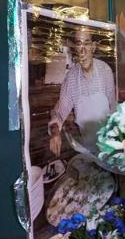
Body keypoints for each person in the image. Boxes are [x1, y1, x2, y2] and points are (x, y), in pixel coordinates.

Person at [49, 28, 116, 156]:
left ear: (93, 47)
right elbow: (59, 112)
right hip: (87, 145)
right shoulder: (71, 77)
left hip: (111, 141)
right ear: (74, 48)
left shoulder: (105, 70)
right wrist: (55, 133)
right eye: (79, 44)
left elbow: (113, 107)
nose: (82, 50)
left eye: (86, 43)